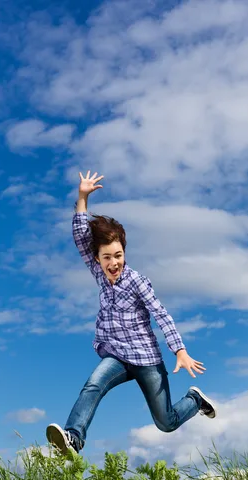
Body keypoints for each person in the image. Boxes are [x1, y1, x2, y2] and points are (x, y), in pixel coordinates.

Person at [46, 170, 217, 455]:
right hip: (117, 355)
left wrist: (180, 350)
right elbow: (79, 236)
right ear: (97, 258)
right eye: (107, 257)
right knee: (93, 385)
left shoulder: (137, 281)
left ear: (124, 253)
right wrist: (82, 198)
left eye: (119, 255)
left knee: (166, 422)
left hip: (147, 359)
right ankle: (74, 438)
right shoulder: (99, 273)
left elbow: (161, 314)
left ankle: (195, 401)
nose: (114, 263)